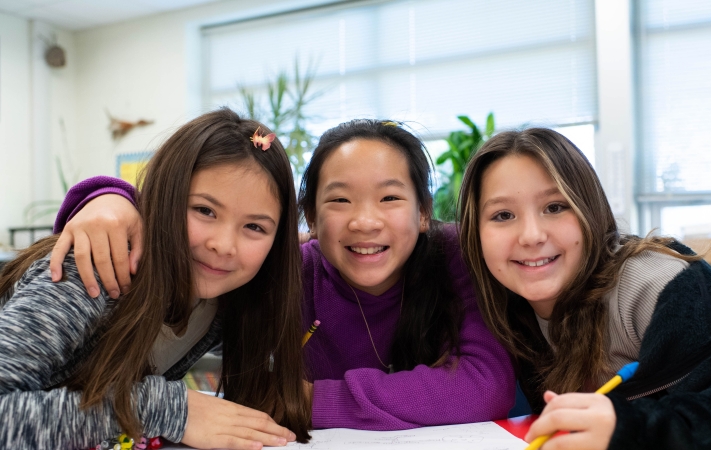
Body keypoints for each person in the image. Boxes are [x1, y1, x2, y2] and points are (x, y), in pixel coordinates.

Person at [48, 119, 516, 431]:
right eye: (339, 200)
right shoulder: (281, 274)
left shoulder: (455, 255)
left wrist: (306, 399)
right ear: (309, 218)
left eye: (390, 198)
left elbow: (483, 387)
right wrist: (104, 197)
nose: (364, 221)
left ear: (423, 213)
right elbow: (183, 223)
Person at [457, 128, 711, 449]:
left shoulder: (652, 282)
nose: (531, 235)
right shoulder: (508, 303)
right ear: (476, 234)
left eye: (555, 207)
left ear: (589, 211)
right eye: (503, 215)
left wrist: (633, 430)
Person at [0, 108, 309, 450]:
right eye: (204, 210)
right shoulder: (91, 269)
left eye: (255, 227)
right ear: (164, 199)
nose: (223, 246)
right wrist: (167, 408)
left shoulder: (222, 303)